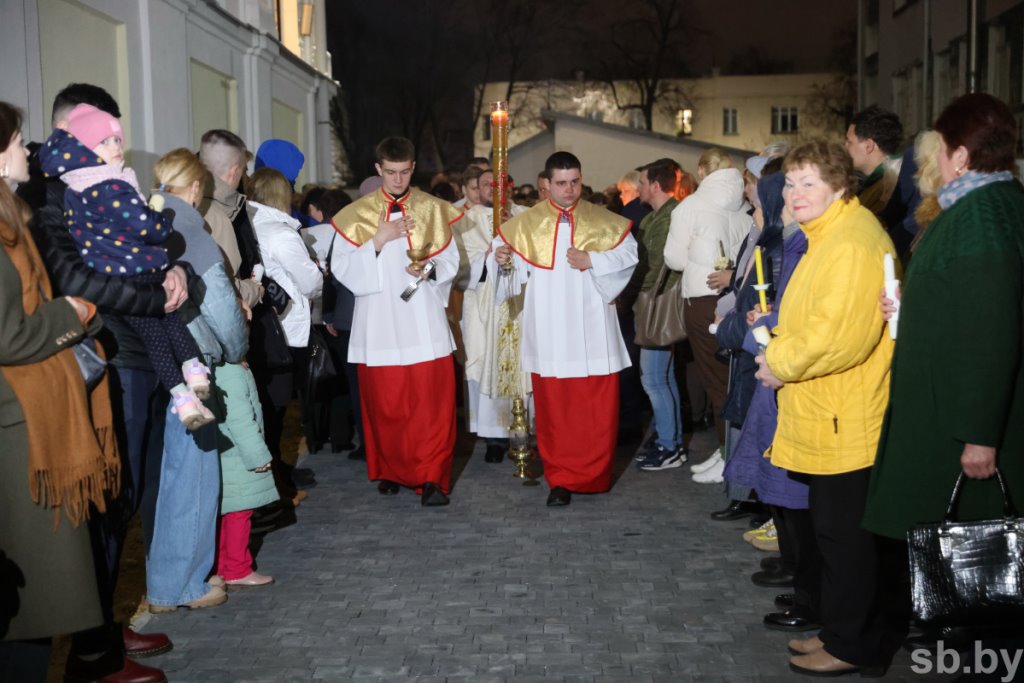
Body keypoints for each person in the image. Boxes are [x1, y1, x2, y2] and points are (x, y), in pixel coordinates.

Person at [17, 85, 174, 676]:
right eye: (101, 134)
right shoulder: (49, 196)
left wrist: (173, 271)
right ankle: (92, 650)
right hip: (97, 357)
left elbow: (148, 243)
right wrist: (156, 294)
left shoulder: (101, 184)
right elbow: (74, 279)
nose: (112, 145)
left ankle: (104, 625)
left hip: (131, 349)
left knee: (124, 495)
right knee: (104, 501)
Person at [864, 94, 1024, 629]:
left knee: (981, 564)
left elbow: (990, 329)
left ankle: (984, 658)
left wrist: (979, 434)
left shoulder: (980, 215)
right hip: (952, 413)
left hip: (959, 426)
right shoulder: (990, 205)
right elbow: (966, 301)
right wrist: (918, 303)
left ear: (958, 154)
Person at [753, 140, 895, 676]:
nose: (794, 194)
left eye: (808, 182)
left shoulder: (851, 243)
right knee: (834, 535)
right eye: (790, 183)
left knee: (847, 539)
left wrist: (778, 361)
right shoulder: (827, 236)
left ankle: (853, 645)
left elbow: (840, 337)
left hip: (847, 411)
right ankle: (839, 633)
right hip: (827, 407)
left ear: (840, 186)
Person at [38, 104, 213, 429]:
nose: (118, 148)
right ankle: (194, 373)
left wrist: (176, 270)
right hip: (135, 284)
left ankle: (184, 396)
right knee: (170, 325)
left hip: (123, 286)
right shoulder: (111, 185)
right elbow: (149, 228)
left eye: (118, 140)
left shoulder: (76, 186)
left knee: (159, 337)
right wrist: (161, 221)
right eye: (107, 141)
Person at [494, 151, 638, 507]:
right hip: (550, 328)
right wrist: (504, 263)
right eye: (561, 183)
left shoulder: (603, 220)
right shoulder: (525, 225)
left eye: (575, 181)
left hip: (593, 327)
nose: (570, 190)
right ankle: (559, 479)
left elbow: (630, 256)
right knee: (556, 410)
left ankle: (595, 476)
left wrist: (595, 259)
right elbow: (509, 281)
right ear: (546, 184)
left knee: (595, 409)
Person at [330, 136, 462, 506]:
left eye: (405, 172)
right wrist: (377, 240)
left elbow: (451, 263)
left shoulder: (433, 209)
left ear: (413, 169)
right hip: (380, 321)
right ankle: (392, 469)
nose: (398, 180)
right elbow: (341, 269)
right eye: (391, 172)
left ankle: (432, 478)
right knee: (387, 407)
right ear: (378, 169)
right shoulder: (356, 214)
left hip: (422, 318)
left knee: (430, 407)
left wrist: (429, 269)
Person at [145, 149, 247, 615]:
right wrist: (236, 350)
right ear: (196, 189)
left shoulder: (148, 220)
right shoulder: (191, 232)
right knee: (194, 476)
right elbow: (223, 311)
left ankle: (167, 580)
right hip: (192, 367)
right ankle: (179, 586)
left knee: (170, 477)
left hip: (156, 362)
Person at [664, 148, 750, 481]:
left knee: (717, 383)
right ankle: (726, 449)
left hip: (702, 301)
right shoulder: (743, 207)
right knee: (729, 378)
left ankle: (731, 456)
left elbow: (674, 258)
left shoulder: (691, 207)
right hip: (736, 300)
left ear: (702, 171)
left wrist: (696, 260)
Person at [248, 167, 323, 501]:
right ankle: (276, 485)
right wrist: (319, 272)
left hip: (262, 327)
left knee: (265, 409)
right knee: (277, 410)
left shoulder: (249, 224)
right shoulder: (280, 232)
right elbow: (310, 283)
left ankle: (277, 474)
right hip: (286, 331)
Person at [461, 168, 528, 462]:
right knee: (486, 363)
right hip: (483, 307)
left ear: (509, 187)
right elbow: (462, 268)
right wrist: (491, 251)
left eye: (498, 184)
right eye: (486, 184)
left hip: (519, 305)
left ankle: (523, 433)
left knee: (523, 365)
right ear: (477, 188)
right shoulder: (466, 220)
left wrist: (516, 234)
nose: (492, 189)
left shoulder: (526, 215)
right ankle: (493, 439)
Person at [632, 158, 687, 471]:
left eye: (642, 181)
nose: (638, 187)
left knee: (654, 379)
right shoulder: (657, 217)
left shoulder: (670, 218)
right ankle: (670, 439)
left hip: (658, 307)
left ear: (655, 185)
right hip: (653, 305)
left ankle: (670, 445)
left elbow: (660, 268)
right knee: (662, 378)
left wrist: (639, 295)